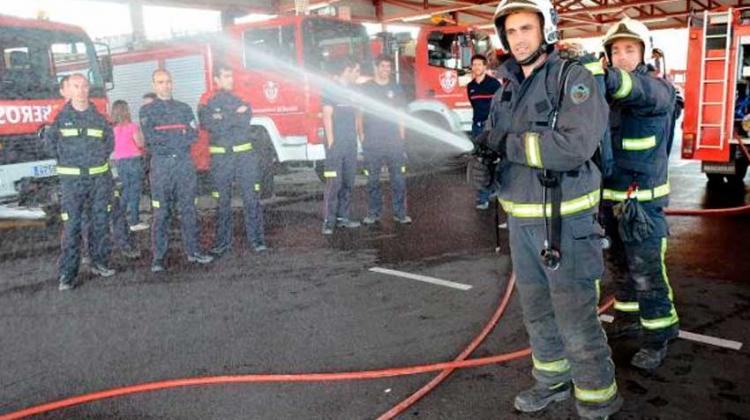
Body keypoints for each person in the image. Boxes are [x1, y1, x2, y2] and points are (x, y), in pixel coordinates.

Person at [469, 1, 621, 418]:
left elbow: (575, 147)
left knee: (575, 316)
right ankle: (551, 382)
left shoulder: (574, 79)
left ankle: (596, 398)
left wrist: (510, 147)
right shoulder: (507, 88)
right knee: (536, 312)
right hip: (522, 223)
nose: (518, 39)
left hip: (565, 223)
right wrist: (483, 165)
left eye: (525, 29)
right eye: (511, 32)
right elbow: (492, 138)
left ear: (546, 31)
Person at [598, 17, 679, 371]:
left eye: (630, 49)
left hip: (643, 207)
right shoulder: (609, 97)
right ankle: (628, 319)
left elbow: (634, 89)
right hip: (611, 202)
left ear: (644, 53)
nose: (622, 56)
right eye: (615, 51)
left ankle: (659, 337)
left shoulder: (657, 89)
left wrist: (605, 77)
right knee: (620, 268)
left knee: (647, 273)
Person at [45, 74, 116, 290]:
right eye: (76, 86)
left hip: (98, 180)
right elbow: (49, 146)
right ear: (65, 90)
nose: (82, 90)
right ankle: (68, 274)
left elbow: (109, 143)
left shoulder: (99, 116)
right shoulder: (58, 117)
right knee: (72, 226)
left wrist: (94, 160)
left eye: (85, 86)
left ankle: (100, 263)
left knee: (100, 223)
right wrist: (73, 161)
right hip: (72, 182)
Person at [139, 69, 213, 272]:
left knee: (189, 209)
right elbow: (152, 138)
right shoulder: (147, 111)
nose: (165, 85)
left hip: (183, 164)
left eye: (168, 81)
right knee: (161, 213)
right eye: (160, 82)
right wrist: (176, 135)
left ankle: (193, 251)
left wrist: (171, 136)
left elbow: (192, 135)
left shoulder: (184, 108)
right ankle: (159, 258)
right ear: (154, 85)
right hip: (162, 166)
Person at [198, 63, 268, 255]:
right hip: (221, 159)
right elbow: (208, 124)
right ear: (217, 80)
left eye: (231, 76)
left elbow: (244, 121)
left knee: (251, 199)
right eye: (227, 76)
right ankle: (223, 242)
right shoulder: (206, 99)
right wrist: (232, 116)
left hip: (245, 157)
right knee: (222, 202)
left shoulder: (242, 97)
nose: (231, 79)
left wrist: (223, 117)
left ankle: (257, 241)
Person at [359, 55, 412, 225]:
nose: (386, 70)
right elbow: (359, 115)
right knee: (373, 180)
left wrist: (401, 138)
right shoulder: (366, 89)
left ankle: (400, 213)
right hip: (373, 142)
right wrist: (362, 137)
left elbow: (401, 115)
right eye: (383, 66)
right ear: (376, 67)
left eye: (388, 67)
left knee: (398, 179)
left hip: (393, 141)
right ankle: (373, 213)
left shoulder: (396, 89)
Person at [320, 59, 363, 235]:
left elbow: (358, 115)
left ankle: (343, 218)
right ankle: (328, 222)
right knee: (334, 184)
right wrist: (331, 142)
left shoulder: (354, 91)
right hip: (336, 145)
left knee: (348, 182)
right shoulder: (331, 89)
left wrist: (359, 138)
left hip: (350, 143)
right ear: (347, 69)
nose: (358, 74)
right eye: (356, 71)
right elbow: (327, 116)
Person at [467, 54, 502, 210]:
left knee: (494, 161)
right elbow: (475, 106)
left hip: (491, 127)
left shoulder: (494, 84)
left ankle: (493, 191)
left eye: (479, 64)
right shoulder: (470, 86)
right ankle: (483, 197)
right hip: (477, 127)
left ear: (485, 67)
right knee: (480, 162)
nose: (476, 67)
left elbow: (501, 105)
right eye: (474, 65)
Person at [111, 100, 148, 231]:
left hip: (120, 162)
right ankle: (134, 221)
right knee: (135, 191)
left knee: (126, 190)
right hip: (133, 161)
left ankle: (118, 218)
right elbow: (140, 143)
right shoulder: (132, 127)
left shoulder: (113, 130)